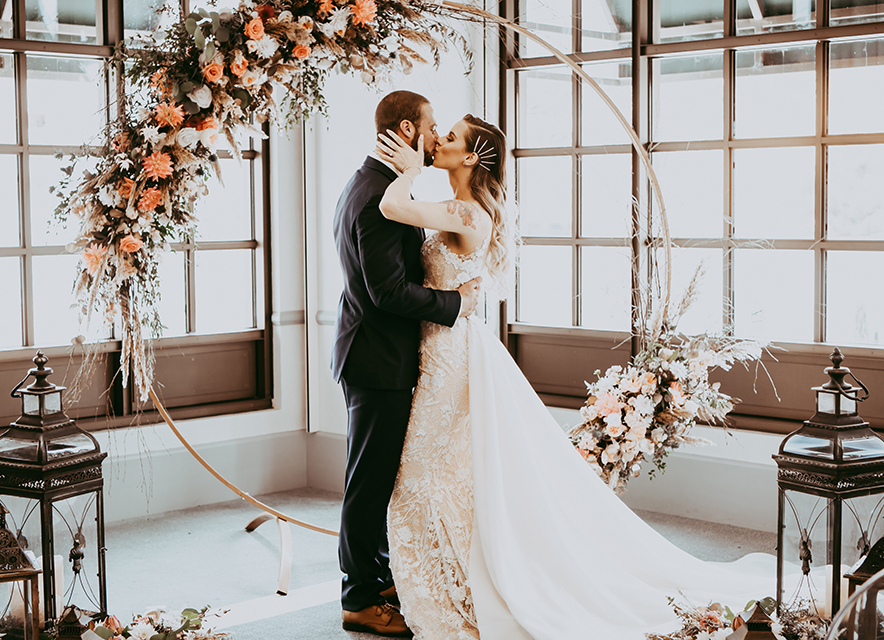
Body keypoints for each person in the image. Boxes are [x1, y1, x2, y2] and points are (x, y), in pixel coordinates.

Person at [376, 116, 774, 640]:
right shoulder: (458, 204)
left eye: (450, 138)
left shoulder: (467, 211)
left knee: (424, 475)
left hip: (452, 356)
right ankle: (457, 574)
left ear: (471, 158)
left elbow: (392, 206)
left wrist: (407, 170)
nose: (439, 142)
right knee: (446, 474)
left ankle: (460, 585)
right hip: (441, 348)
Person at [331, 90, 483, 637]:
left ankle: (379, 575)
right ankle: (359, 599)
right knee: (368, 484)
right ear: (406, 129)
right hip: (377, 358)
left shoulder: (374, 182)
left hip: (380, 354)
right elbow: (387, 292)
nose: (437, 133)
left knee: (380, 478)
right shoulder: (376, 193)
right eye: (432, 124)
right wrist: (455, 303)